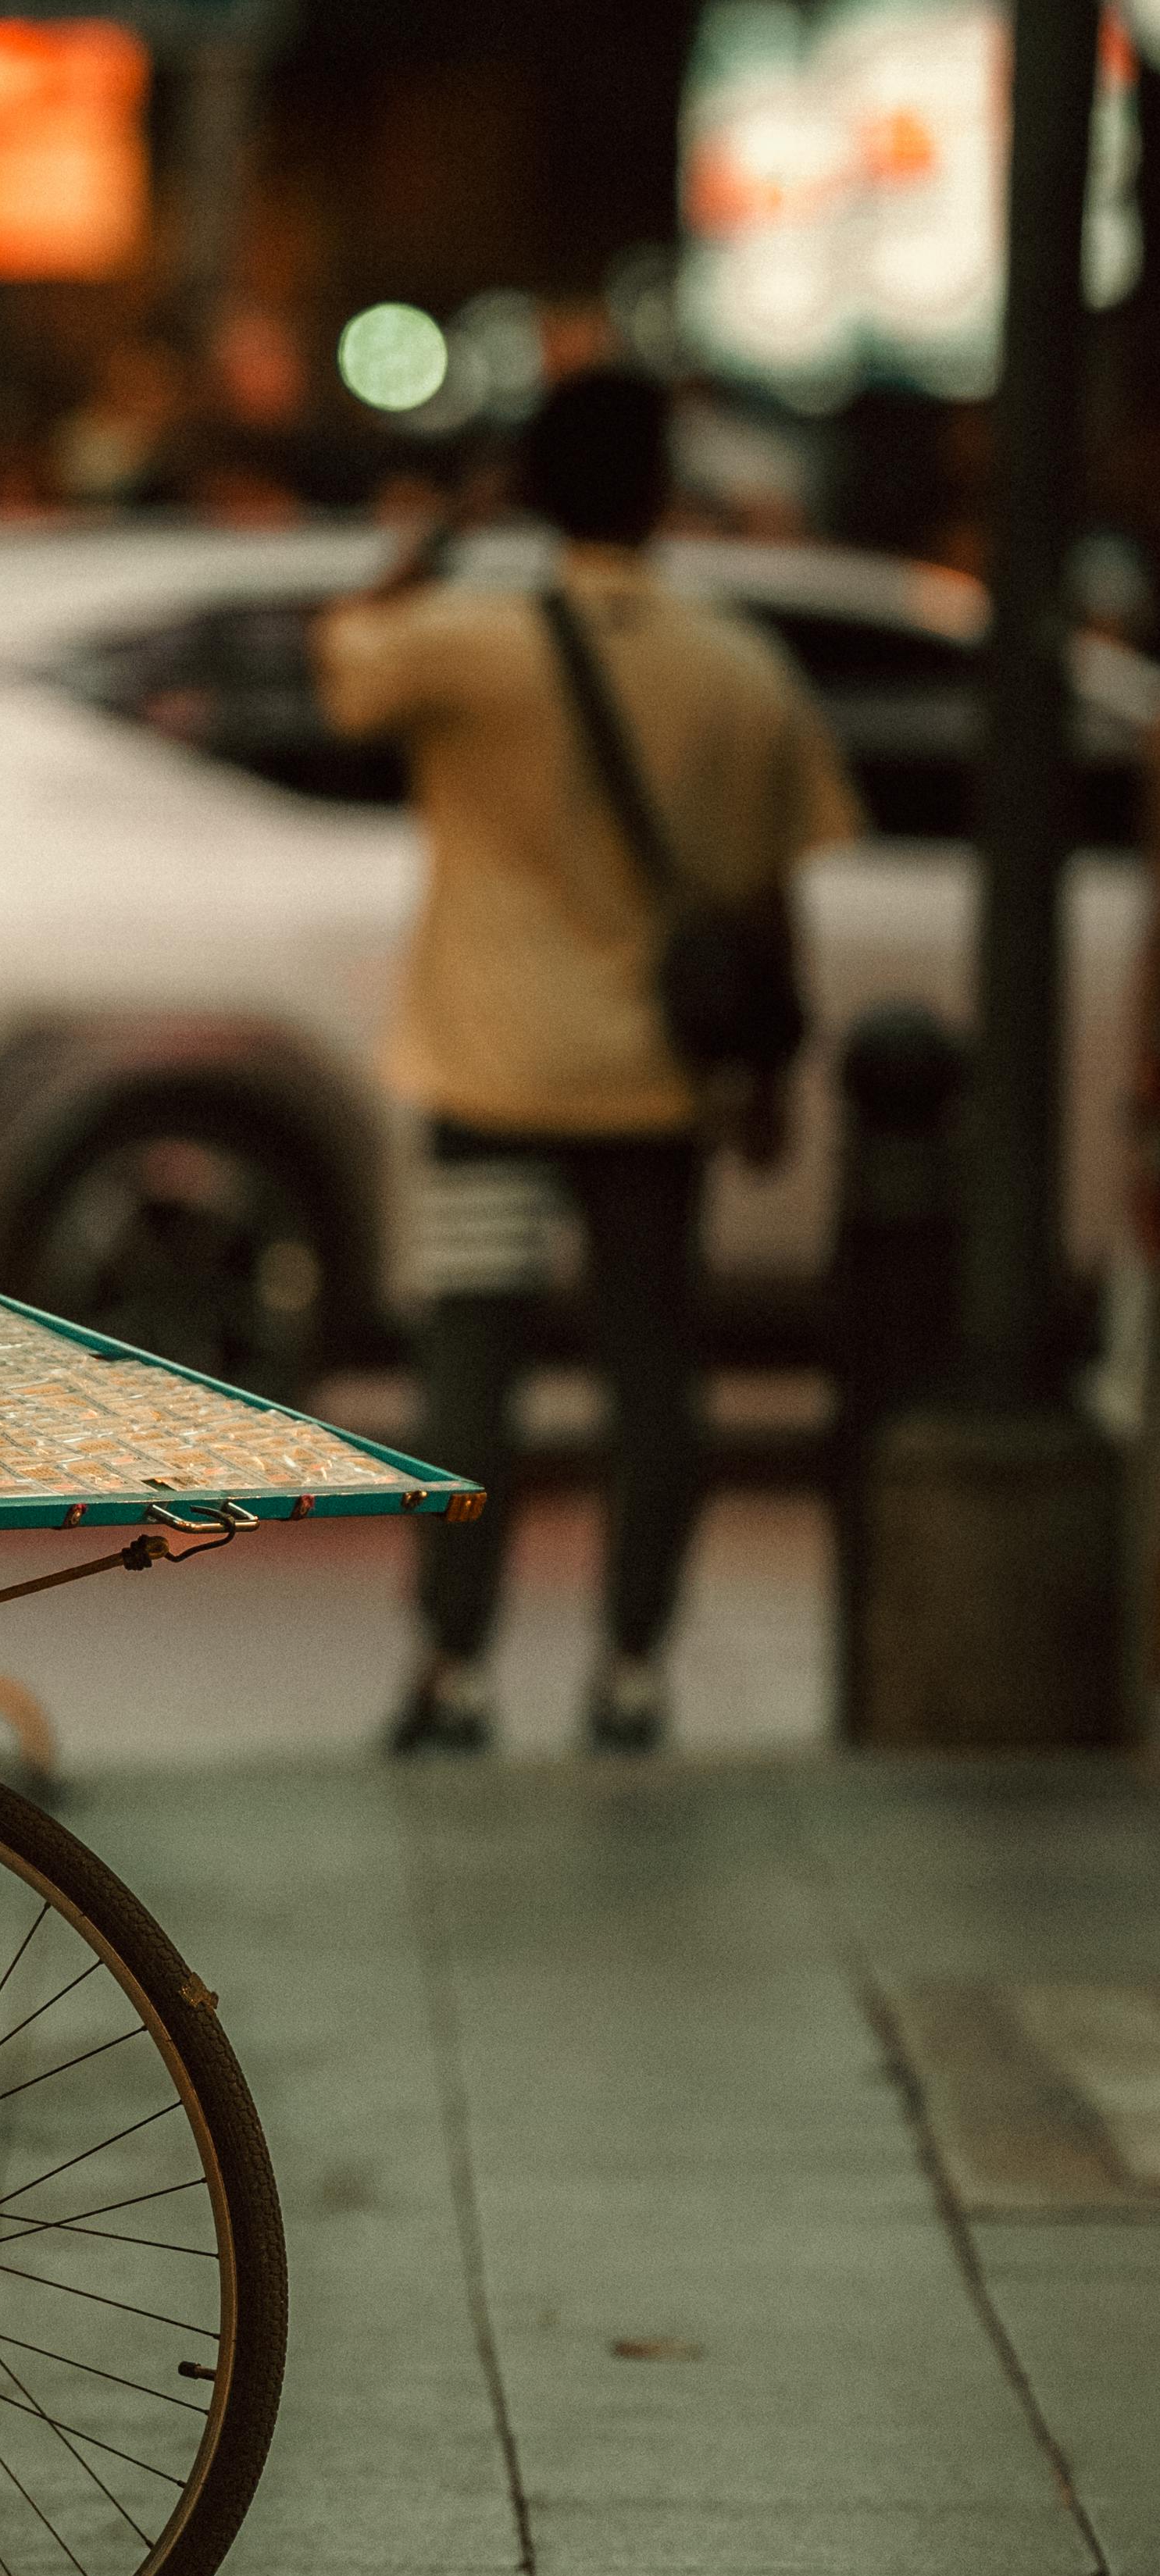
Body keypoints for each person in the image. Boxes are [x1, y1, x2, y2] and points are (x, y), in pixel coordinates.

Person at [315, 372, 860, 1755]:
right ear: (662, 490)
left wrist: (445, 527)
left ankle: (453, 1668)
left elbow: (345, 657)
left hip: (490, 1078)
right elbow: (770, 894)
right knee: (652, 1374)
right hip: (654, 1094)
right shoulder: (737, 664)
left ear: (540, 491)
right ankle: (630, 1671)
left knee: (471, 1370)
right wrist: (772, 1077)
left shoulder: (468, 641)